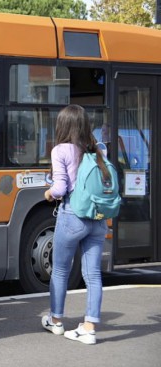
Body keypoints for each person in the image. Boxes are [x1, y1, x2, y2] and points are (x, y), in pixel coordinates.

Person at [42, 104, 109, 345]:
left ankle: (56, 321)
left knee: (60, 270)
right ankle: (89, 327)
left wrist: (48, 194)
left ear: (62, 125)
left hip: (72, 216)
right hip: (98, 219)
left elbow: (60, 188)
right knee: (92, 275)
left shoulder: (60, 150)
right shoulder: (98, 150)